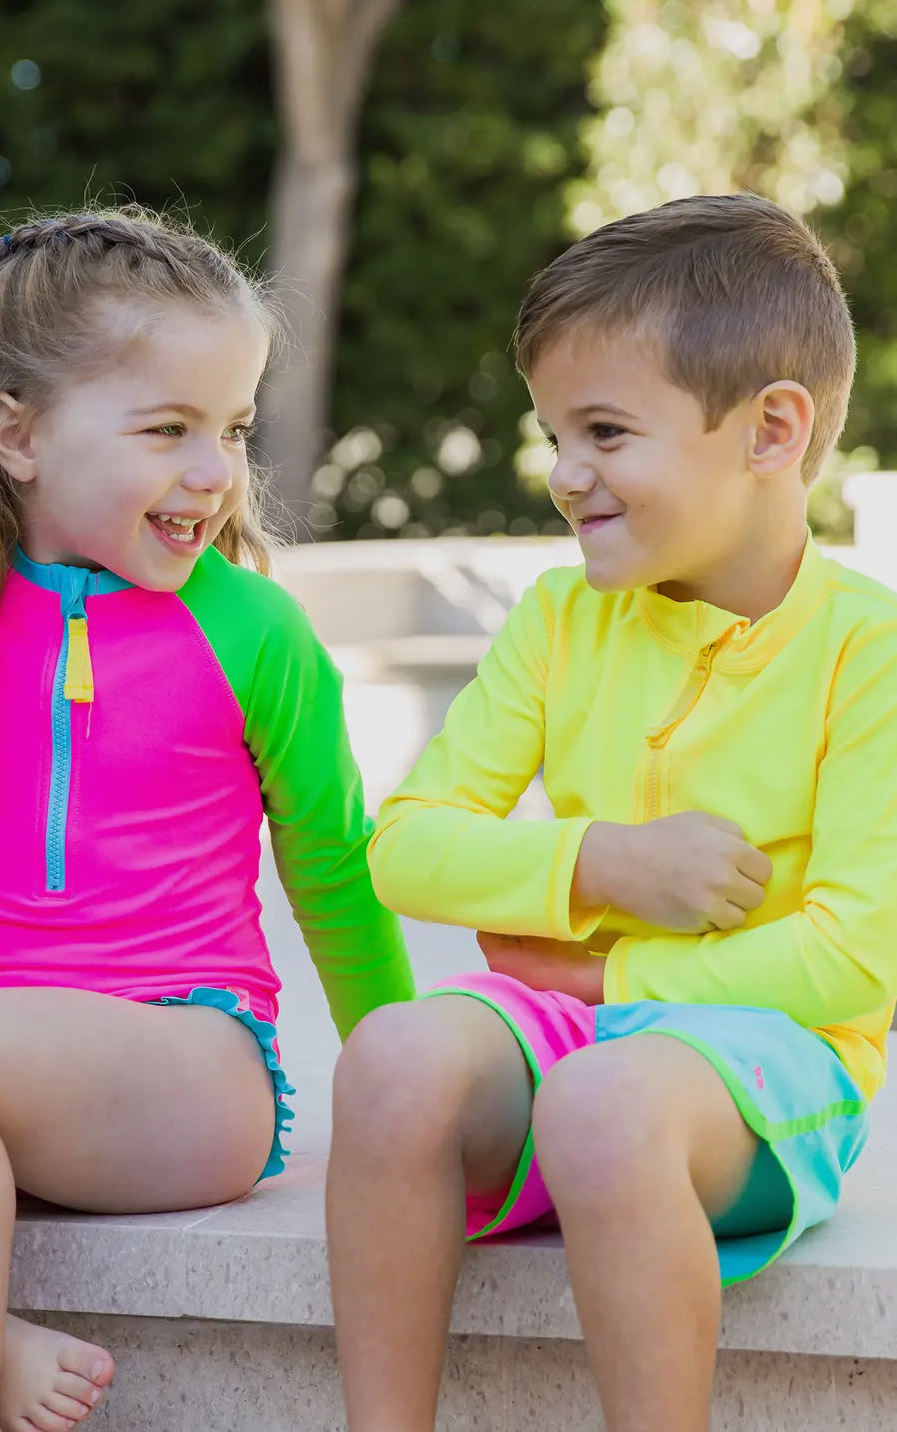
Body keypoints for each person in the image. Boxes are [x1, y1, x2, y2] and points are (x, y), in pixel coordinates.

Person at [0, 208, 414, 1432]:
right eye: (169, 429)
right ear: (20, 434)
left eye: (233, 429)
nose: (215, 473)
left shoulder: (254, 631)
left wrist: (412, 1095)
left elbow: (336, 875)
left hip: (194, 1071)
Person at [326, 192, 897, 1432]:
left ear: (771, 430)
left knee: (605, 1100)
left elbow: (855, 958)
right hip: (584, 1040)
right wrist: (604, 861)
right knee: (393, 1058)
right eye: (555, 433)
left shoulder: (869, 651)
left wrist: (611, 980)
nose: (563, 474)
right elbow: (409, 844)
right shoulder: (559, 619)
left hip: (771, 1072)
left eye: (604, 431)